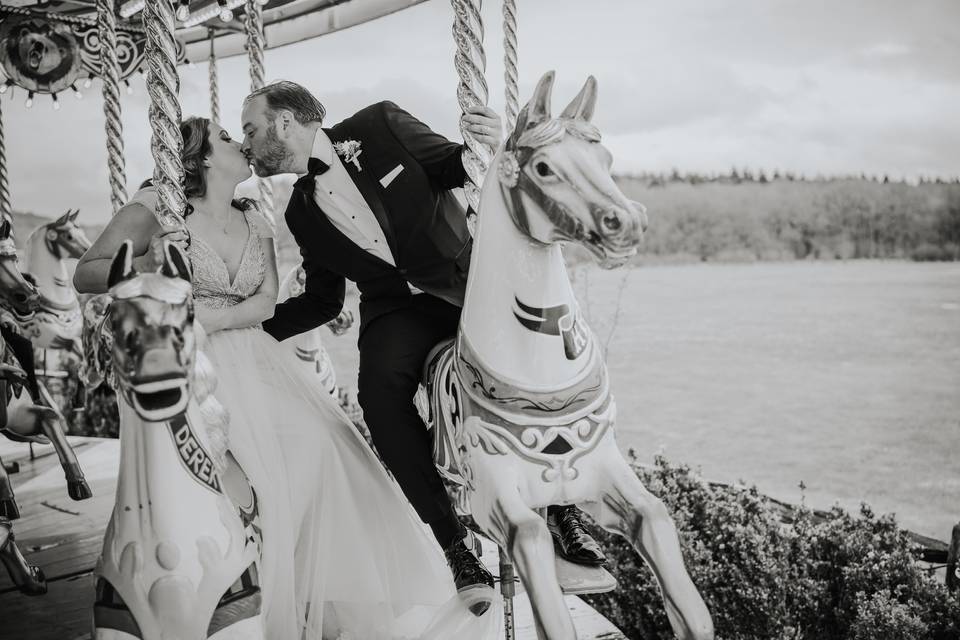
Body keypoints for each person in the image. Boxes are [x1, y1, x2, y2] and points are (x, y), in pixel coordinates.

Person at [74, 117, 499, 640]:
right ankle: (247, 591)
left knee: (325, 448)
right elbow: (89, 271)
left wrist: (218, 318)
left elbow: (266, 300)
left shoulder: (255, 217)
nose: (242, 144)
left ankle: (320, 595)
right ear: (203, 156)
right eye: (229, 138)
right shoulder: (159, 205)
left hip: (252, 351)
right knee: (239, 471)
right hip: (197, 357)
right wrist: (152, 262)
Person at [241, 81, 606, 591]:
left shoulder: (379, 125)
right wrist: (249, 328)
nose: (247, 144)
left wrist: (494, 140)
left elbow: (460, 165)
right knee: (378, 398)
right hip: (394, 311)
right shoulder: (299, 212)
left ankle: (562, 509)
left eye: (251, 129)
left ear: (284, 122)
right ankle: (454, 543)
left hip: (466, 283)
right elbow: (324, 301)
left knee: (532, 363)